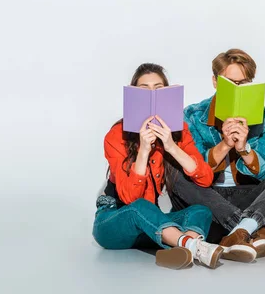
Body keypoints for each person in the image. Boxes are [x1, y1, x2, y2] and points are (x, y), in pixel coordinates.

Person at [169, 49, 265, 263]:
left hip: (250, 199)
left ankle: (239, 231)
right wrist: (224, 145)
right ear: (215, 81)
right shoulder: (192, 115)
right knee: (174, 170)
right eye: (230, 83)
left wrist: (244, 149)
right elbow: (192, 168)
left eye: (243, 83)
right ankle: (248, 231)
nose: (236, 89)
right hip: (209, 202)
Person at [93, 63, 224, 270]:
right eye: (145, 90)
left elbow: (205, 178)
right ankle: (193, 246)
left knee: (200, 211)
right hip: (114, 221)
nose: (152, 96)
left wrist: (171, 146)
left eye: (159, 89)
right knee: (140, 208)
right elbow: (131, 200)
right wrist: (144, 150)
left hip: (152, 226)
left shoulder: (179, 130)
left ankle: (182, 250)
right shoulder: (116, 135)